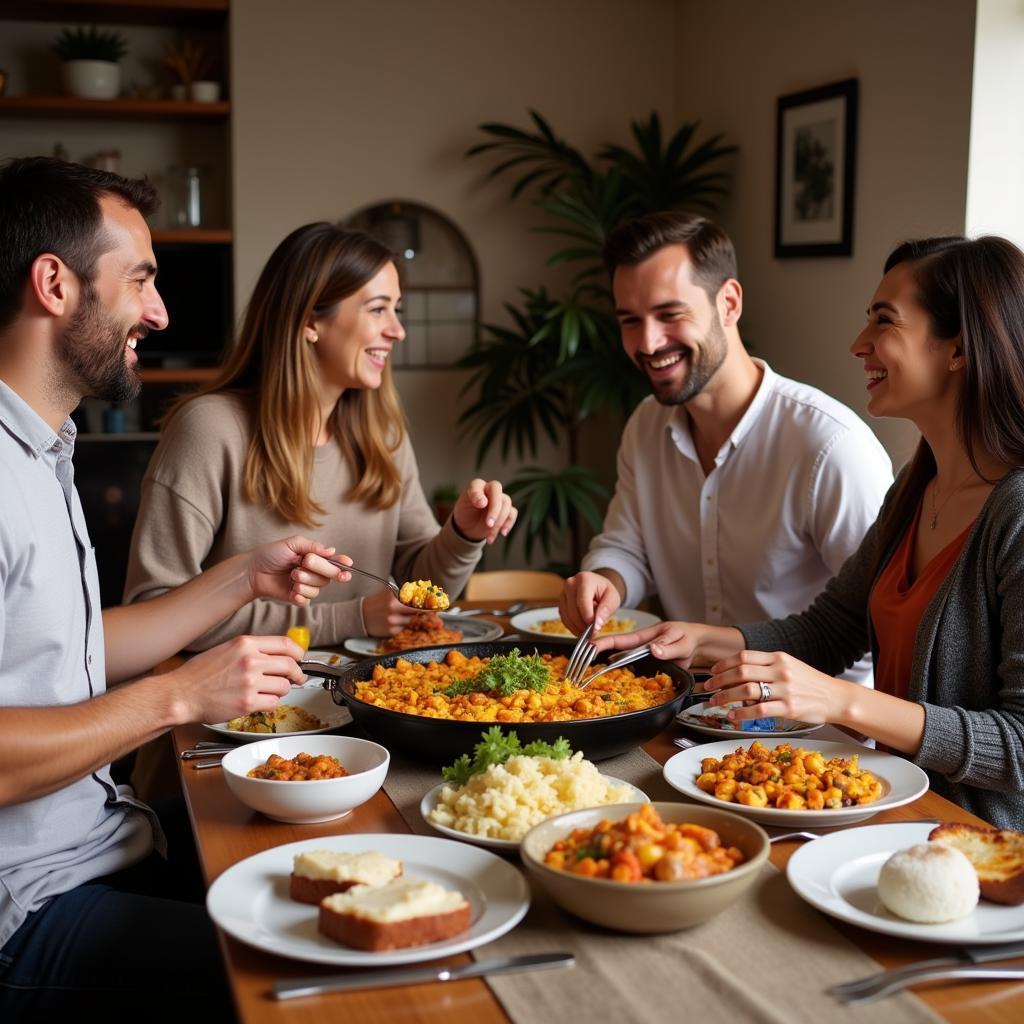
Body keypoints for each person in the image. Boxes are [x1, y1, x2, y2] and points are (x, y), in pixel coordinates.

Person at [0, 156, 353, 1019]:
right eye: (141, 280)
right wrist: (173, 695)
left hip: (106, 845)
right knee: (335, 979)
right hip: (29, 909)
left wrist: (241, 577)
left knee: (351, 881)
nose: (157, 312)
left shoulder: (44, 451)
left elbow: (75, 650)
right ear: (54, 284)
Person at [595, 235, 1024, 830]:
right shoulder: (916, 486)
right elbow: (831, 629)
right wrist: (700, 639)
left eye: (884, 321)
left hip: (981, 844)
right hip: (887, 809)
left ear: (957, 347)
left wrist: (843, 700)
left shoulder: (1016, 512)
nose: (859, 344)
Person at [123, 222, 517, 649]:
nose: (397, 331)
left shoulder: (384, 433)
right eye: (378, 309)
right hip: (245, 708)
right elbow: (156, 606)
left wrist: (463, 533)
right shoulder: (210, 429)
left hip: (373, 692)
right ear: (311, 319)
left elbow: (420, 592)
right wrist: (347, 619)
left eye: (397, 310)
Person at [558, 211, 892, 685]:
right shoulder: (644, 426)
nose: (648, 342)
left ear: (729, 303)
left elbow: (878, 625)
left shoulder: (830, 444)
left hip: (822, 735)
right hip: (692, 707)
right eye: (630, 321)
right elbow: (626, 547)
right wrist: (606, 579)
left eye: (670, 314)